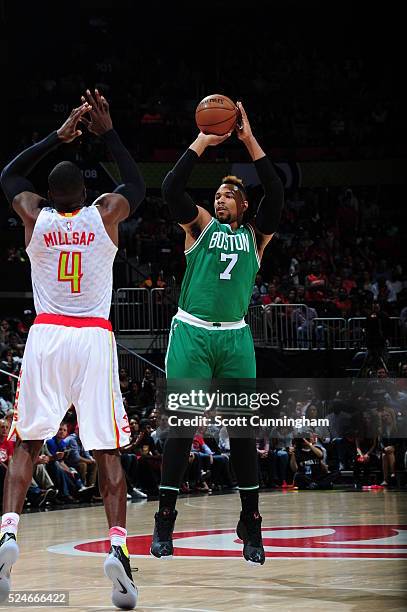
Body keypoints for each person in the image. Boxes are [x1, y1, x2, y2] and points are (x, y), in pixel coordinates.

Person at [0, 90, 145, 610]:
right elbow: (137, 183)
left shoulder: (34, 216)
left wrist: (56, 136)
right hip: (92, 338)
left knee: (26, 443)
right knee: (106, 450)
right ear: (86, 191)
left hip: (44, 336)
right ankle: (117, 550)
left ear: (49, 193)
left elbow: (9, 178)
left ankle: (8, 534)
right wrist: (106, 133)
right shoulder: (103, 214)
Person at [150, 102, 283, 565]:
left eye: (231, 194)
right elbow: (170, 187)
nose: (222, 198)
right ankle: (164, 519)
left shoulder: (256, 236)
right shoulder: (200, 227)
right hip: (192, 333)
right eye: (220, 193)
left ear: (244, 206)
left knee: (243, 434)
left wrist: (247, 138)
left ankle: (251, 523)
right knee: (183, 430)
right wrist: (204, 141)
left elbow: (277, 193)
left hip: (235, 338)